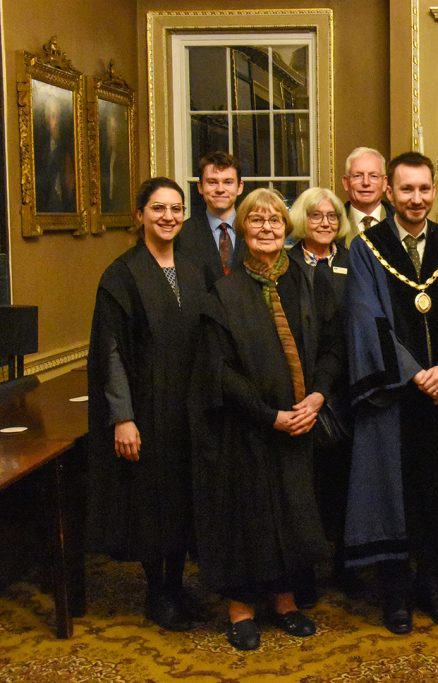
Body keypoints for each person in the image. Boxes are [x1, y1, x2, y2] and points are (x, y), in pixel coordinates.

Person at [344, 152, 438, 635]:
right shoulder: (366, 248)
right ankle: (396, 596)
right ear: (389, 192)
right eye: (407, 189)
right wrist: (415, 374)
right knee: (392, 495)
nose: (416, 199)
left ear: (435, 192)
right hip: (395, 397)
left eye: (425, 189)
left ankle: (435, 587)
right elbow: (369, 321)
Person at [190, 188, 343, 650]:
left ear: (286, 228)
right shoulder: (224, 291)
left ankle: (285, 601)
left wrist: (316, 397)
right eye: (256, 221)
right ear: (242, 230)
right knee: (247, 515)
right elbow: (219, 370)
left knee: (294, 513)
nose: (266, 229)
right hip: (247, 428)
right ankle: (240, 608)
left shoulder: (307, 282)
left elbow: (333, 345)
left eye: (275, 221)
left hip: (302, 421)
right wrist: (268, 415)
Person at [87, 177, 204, 631]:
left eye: (176, 209)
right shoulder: (121, 274)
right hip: (146, 408)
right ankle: (157, 593)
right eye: (158, 208)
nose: (169, 217)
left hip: (187, 408)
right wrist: (124, 418)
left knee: (183, 499)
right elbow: (110, 351)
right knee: (152, 503)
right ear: (140, 215)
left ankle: (177, 585)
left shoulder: (194, 269)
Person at [286, 186, 362, 603]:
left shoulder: (353, 261)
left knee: (342, 484)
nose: (325, 223)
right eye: (316, 216)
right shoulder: (286, 263)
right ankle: (303, 574)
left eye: (332, 216)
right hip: (298, 391)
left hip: (345, 389)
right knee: (304, 487)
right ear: (302, 219)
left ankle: (344, 566)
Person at [175, 151, 246, 290]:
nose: (220, 189)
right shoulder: (182, 234)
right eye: (212, 182)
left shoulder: (254, 231)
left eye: (228, 182)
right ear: (200, 187)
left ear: (240, 187)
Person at [340, 146, 394, 247]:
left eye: (373, 176)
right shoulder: (332, 224)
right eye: (358, 176)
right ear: (346, 183)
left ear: (384, 183)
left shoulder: (401, 222)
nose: (366, 182)